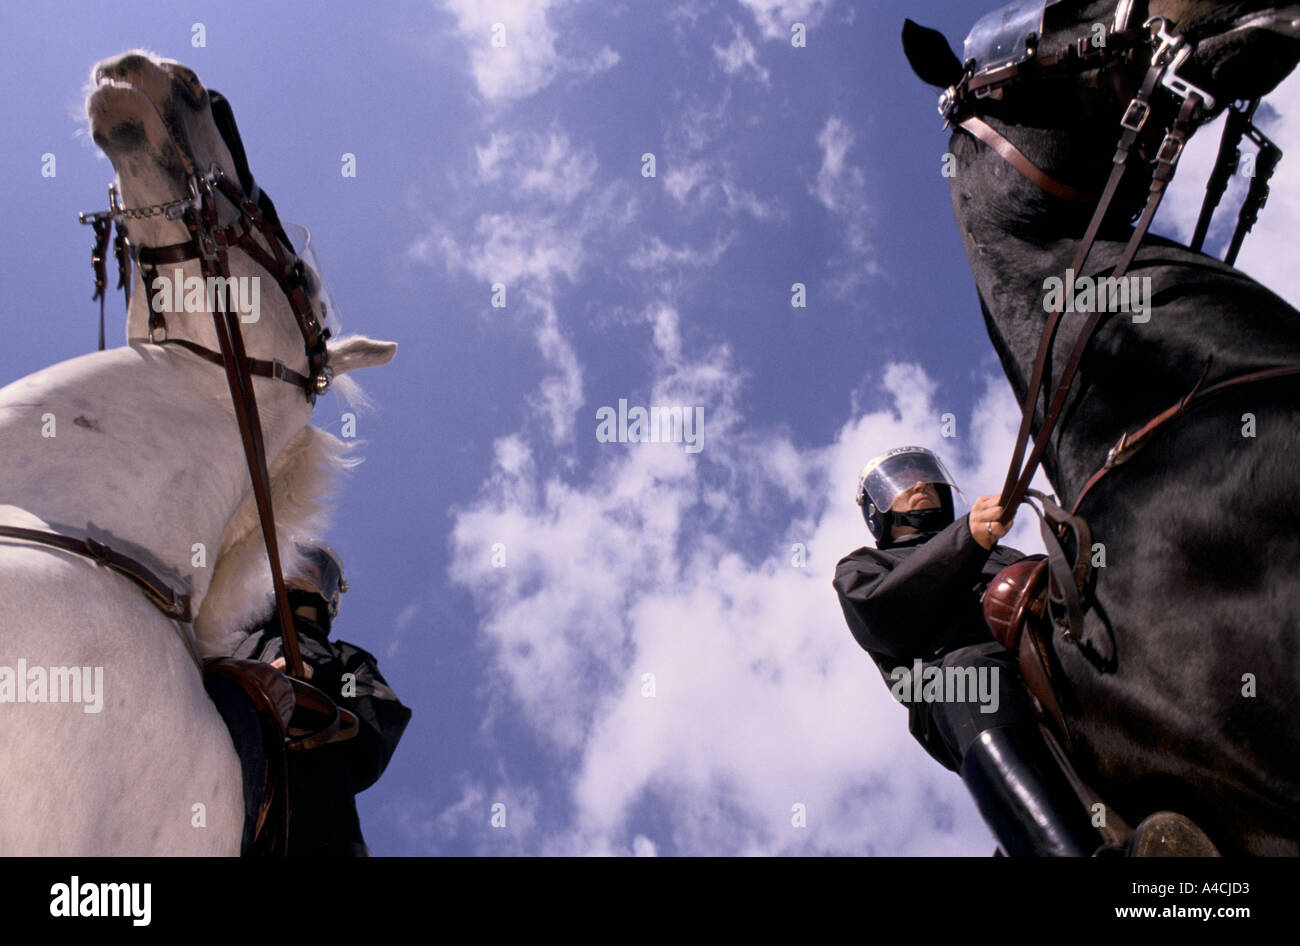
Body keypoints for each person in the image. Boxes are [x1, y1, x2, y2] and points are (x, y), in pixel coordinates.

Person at [832, 445, 1103, 856]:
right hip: (959, 682)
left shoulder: (999, 553)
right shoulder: (861, 566)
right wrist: (967, 541)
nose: (919, 482)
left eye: (922, 473)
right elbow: (885, 615)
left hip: (1044, 651)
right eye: (902, 479)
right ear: (877, 508)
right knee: (965, 678)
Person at [230, 540, 411, 856]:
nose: (300, 575)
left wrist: (312, 683)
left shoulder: (345, 659)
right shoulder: (232, 633)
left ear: (329, 594)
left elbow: (365, 707)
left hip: (308, 786)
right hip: (218, 737)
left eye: (311, 571)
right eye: (294, 567)